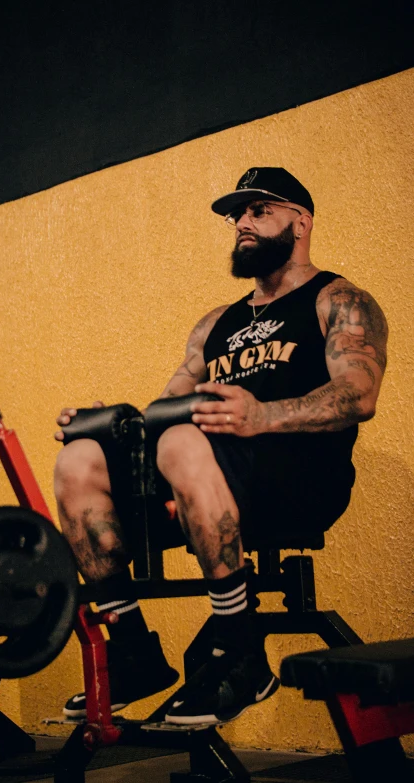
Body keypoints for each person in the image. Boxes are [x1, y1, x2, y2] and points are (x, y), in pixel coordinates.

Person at [53, 167, 388, 726]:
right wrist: (106, 425)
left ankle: (238, 645)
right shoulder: (216, 324)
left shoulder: (338, 299)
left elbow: (360, 392)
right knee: (79, 460)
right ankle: (132, 650)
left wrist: (262, 415)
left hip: (299, 480)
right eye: (238, 214)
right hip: (202, 474)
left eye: (259, 209)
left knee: (184, 442)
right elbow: (165, 411)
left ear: (300, 221)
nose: (242, 223)